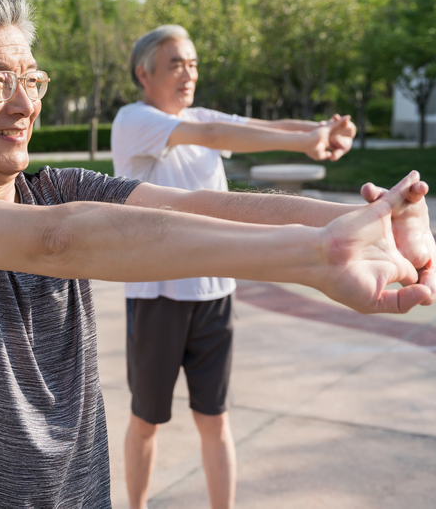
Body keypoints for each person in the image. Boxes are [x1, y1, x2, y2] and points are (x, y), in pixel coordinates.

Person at [0, 0, 436, 509]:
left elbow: (195, 205)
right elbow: (57, 241)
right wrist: (316, 256)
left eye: (30, 79)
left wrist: (366, 225)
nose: (26, 104)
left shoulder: (52, 188)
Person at [111, 25, 358, 509]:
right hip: (156, 296)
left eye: (194, 63)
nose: (189, 74)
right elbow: (216, 134)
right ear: (144, 73)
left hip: (213, 297)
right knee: (146, 420)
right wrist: (308, 141)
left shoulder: (196, 115)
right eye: (176, 63)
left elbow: (248, 127)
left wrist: (315, 132)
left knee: (215, 419)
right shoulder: (134, 119)